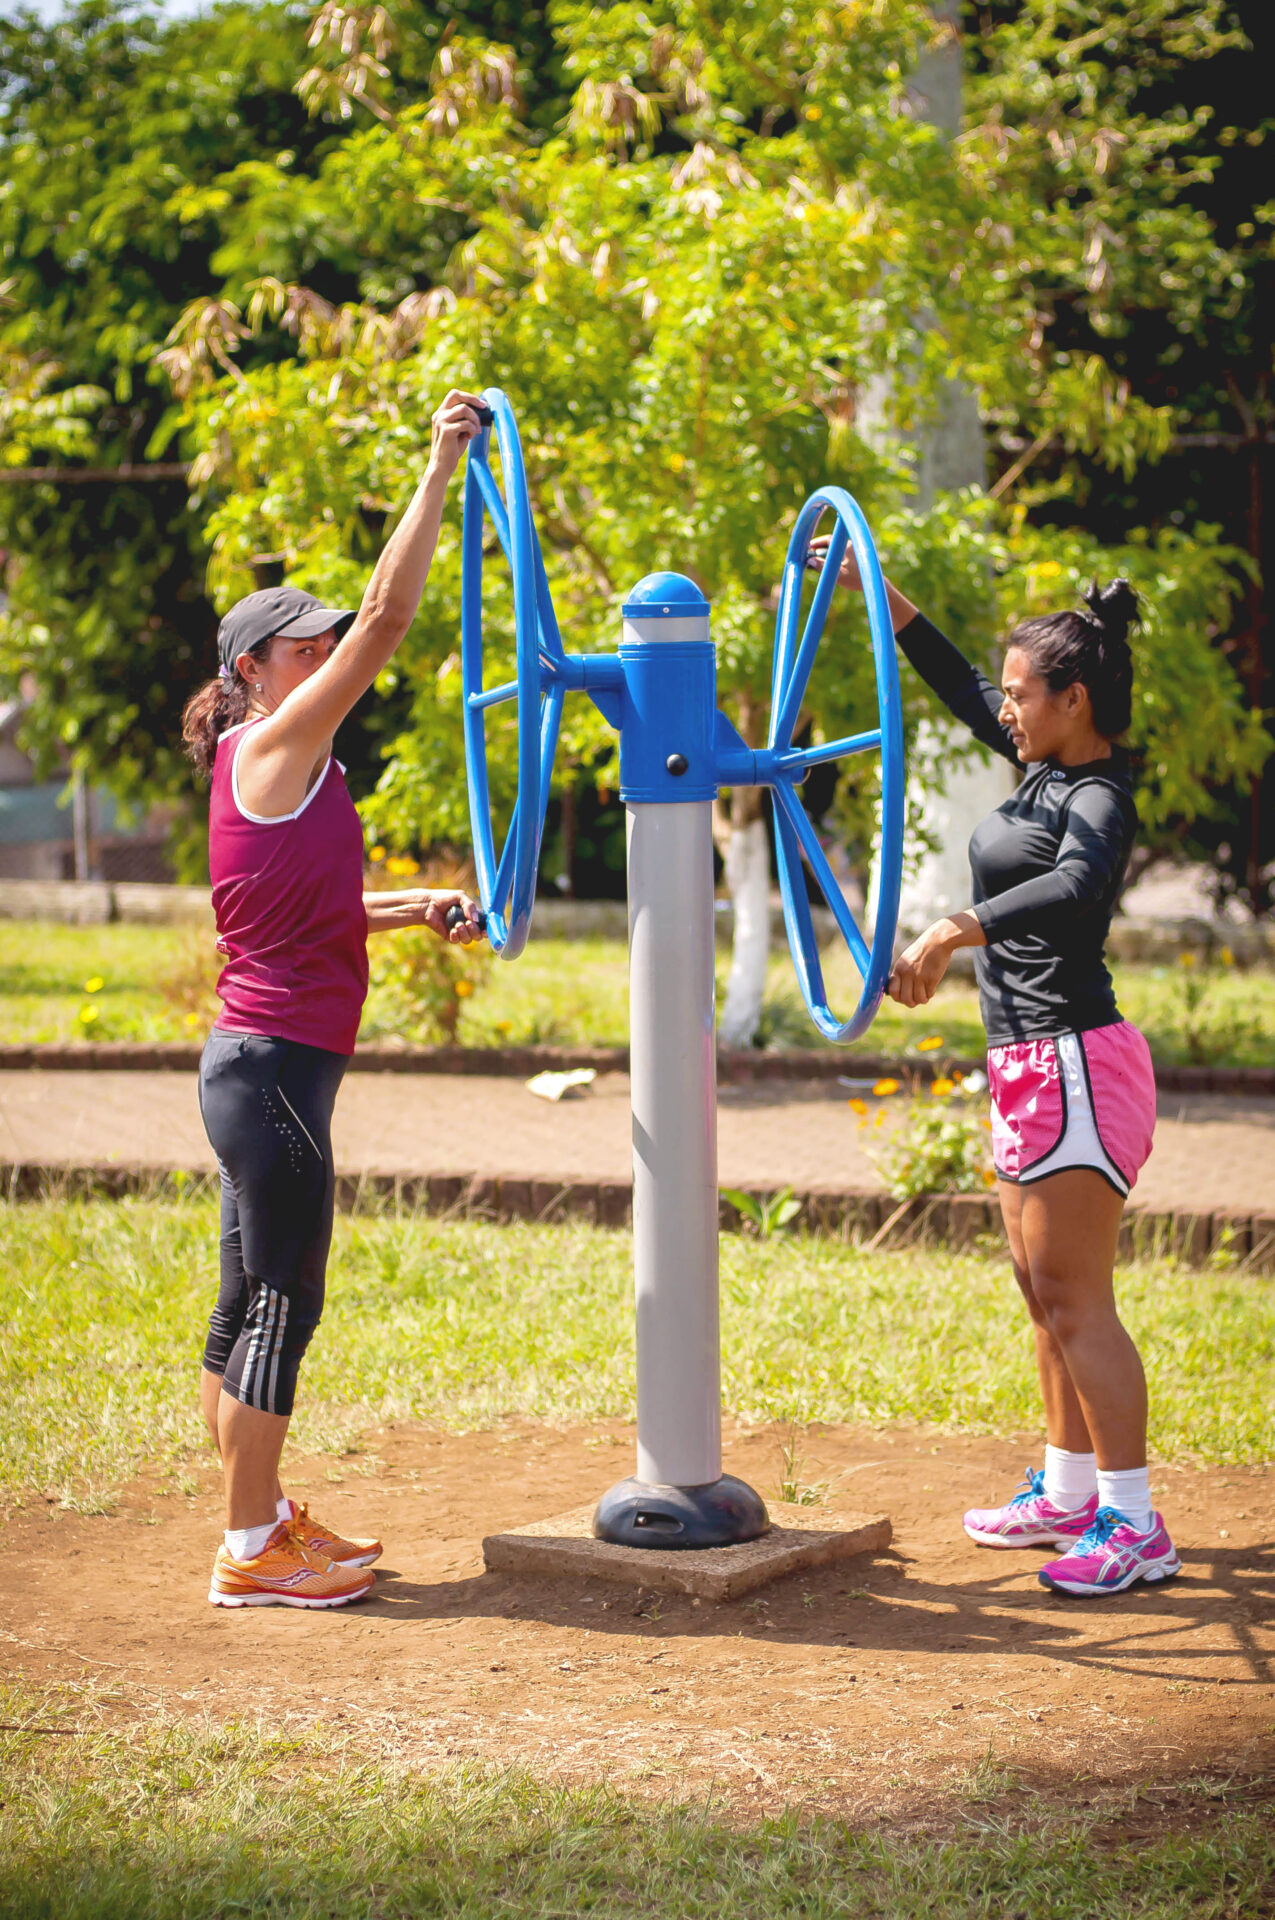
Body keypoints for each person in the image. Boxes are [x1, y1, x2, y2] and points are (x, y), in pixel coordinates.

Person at [811, 536, 1179, 1599]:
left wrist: (950, 931)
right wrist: (884, 602)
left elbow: (1071, 889)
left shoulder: (1097, 799)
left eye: (1026, 695)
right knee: (1040, 1290)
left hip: (1076, 1062)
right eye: (1010, 695)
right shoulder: (1041, 766)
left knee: (1078, 1299)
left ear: (1074, 700)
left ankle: (1135, 1524)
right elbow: (964, 688)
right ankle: (1068, 1491)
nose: (1007, 709)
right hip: (1028, 1060)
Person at [181, 388, 488, 1610]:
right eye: (300, 647)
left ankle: (255, 1522)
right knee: (282, 1302)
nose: (323, 654)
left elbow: (298, 911)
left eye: (318, 642)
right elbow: (390, 614)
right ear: (255, 670)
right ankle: (252, 1550)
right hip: (270, 1077)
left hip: (259, 1069)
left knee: (242, 1302)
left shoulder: (277, 770)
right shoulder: (271, 744)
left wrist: (410, 907)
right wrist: (440, 464)